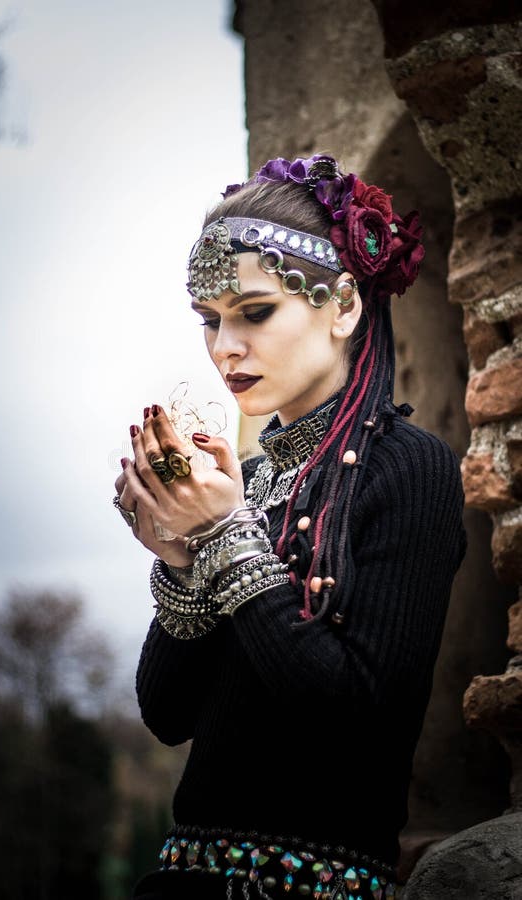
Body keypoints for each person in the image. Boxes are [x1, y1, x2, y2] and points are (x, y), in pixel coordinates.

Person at [113, 153, 467, 900]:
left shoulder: (410, 470)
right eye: (209, 321)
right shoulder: (257, 481)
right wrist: (181, 557)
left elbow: (350, 716)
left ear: (343, 306)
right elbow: (166, 714)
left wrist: (224, 536)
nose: (223, 350)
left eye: (255, 312)